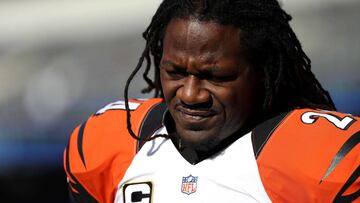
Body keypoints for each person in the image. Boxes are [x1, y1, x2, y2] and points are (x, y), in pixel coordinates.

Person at [64, 0, 360, 202]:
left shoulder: (324, 160)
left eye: (216, 77)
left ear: (263, 72)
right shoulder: (108, 145)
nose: (191, 94)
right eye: (175, 72)